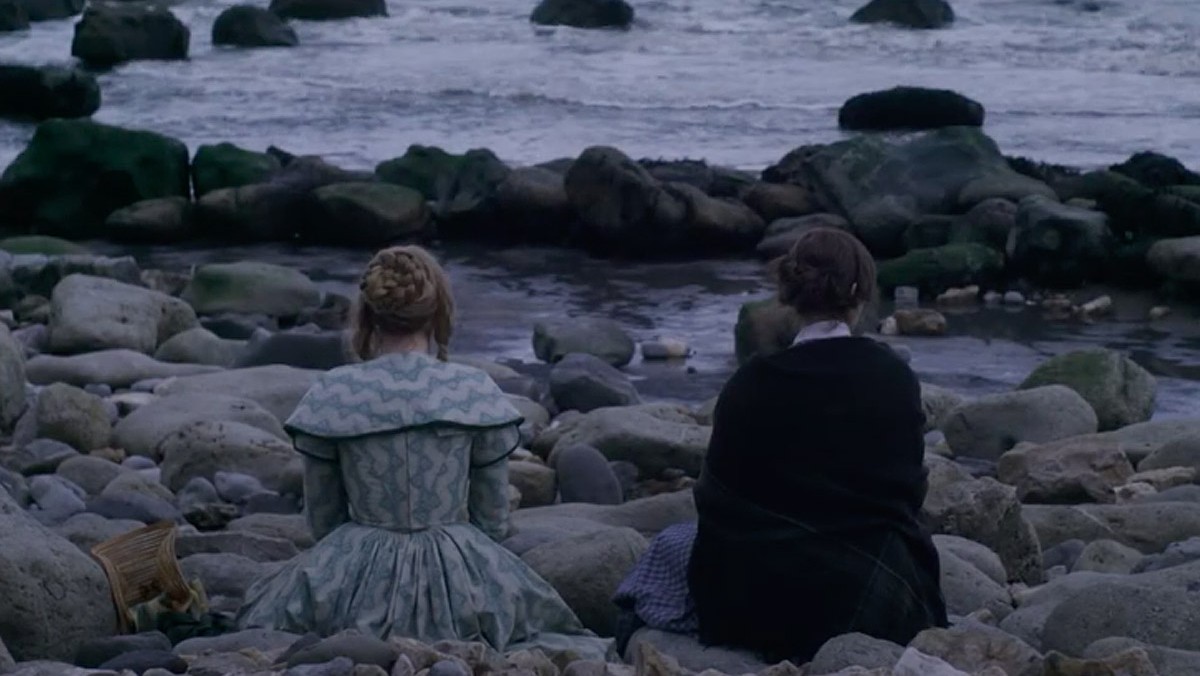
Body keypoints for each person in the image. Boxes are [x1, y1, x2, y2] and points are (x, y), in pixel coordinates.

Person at [236, 246, 611, 660]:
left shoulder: (335, 391)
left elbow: (323, 520)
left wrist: (353, 566)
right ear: (438, 311)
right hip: (458, 558)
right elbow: (492, 520)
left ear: (368, 313)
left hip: (355, 559)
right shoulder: (472, 390)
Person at [686, 228, 947, 663]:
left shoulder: (751, 381)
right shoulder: (892, 377)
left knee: (672, 545)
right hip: (864, 590)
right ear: (858, 294)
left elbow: (715, 497)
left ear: (789, 292)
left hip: (753, 596)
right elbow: (908, 492)